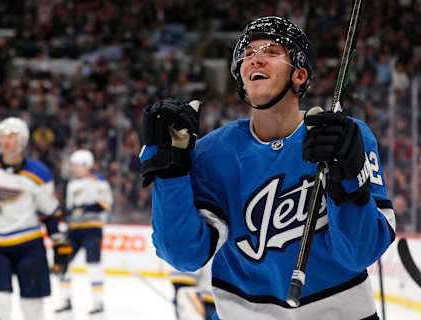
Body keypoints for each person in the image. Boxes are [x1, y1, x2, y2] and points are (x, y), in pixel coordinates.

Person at [139, 16, 396, 319]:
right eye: (248, 54)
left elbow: (360, 253)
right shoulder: (213, 154)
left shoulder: (343, 136)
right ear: (241, 79)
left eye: (272, 51)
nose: (256, 58)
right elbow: (184, 255)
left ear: (299, 75)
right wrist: (170, 173)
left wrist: (347, 179)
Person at [0, 117, 72, 320]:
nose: (6, 141)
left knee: (33, 308)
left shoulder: (39, 173)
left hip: (29, 246)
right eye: (2, 136)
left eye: (12, 136)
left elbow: (49, 212)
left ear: (23, 141)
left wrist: (58, 242)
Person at [55, 149, 113, 317]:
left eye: (76, 165)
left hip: (92, 229)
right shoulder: (72, 184)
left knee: (93, 265)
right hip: (73, 230)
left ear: (86, 164)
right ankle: (65, 300)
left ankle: (98, 302)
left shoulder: (99, 182)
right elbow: (70, 208)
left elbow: (106, 205)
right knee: (63, 262)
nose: (73, 168)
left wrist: (85, 208)